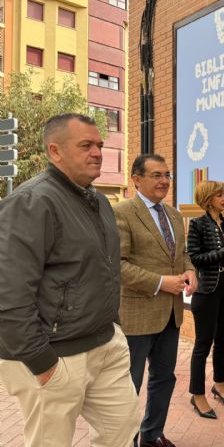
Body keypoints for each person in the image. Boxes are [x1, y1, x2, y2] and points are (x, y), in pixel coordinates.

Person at [0, 113, 139, 446]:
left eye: (100, 145)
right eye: (86, 145)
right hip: (55, 354)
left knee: (122, 428)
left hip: (105, 344)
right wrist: (41, 362)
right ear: (55, 151)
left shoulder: (99, 201)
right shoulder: (32, 201)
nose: (98, 153)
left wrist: (114, 326)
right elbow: (9, 291)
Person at [114, 154, 198, 447]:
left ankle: (152, 435)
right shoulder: (122, 212)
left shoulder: (173, 214)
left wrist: (190, 270)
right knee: (130, 383)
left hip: (170, 315)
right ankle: (125, 441)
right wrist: (162, 283)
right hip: (136, 316)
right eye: (156, 175)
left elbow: (181, 254)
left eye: (167, 175)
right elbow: (118, 265)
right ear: (136, 179)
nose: (164, 181)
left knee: (164, 378)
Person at [187, 181, 224, 418]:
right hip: (207, 291)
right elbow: (195, 258)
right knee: (203, 344)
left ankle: (219, 385)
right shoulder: (197, 224)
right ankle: (197, 394)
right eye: (220, 195)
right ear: (208, 199)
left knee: (223, 340)